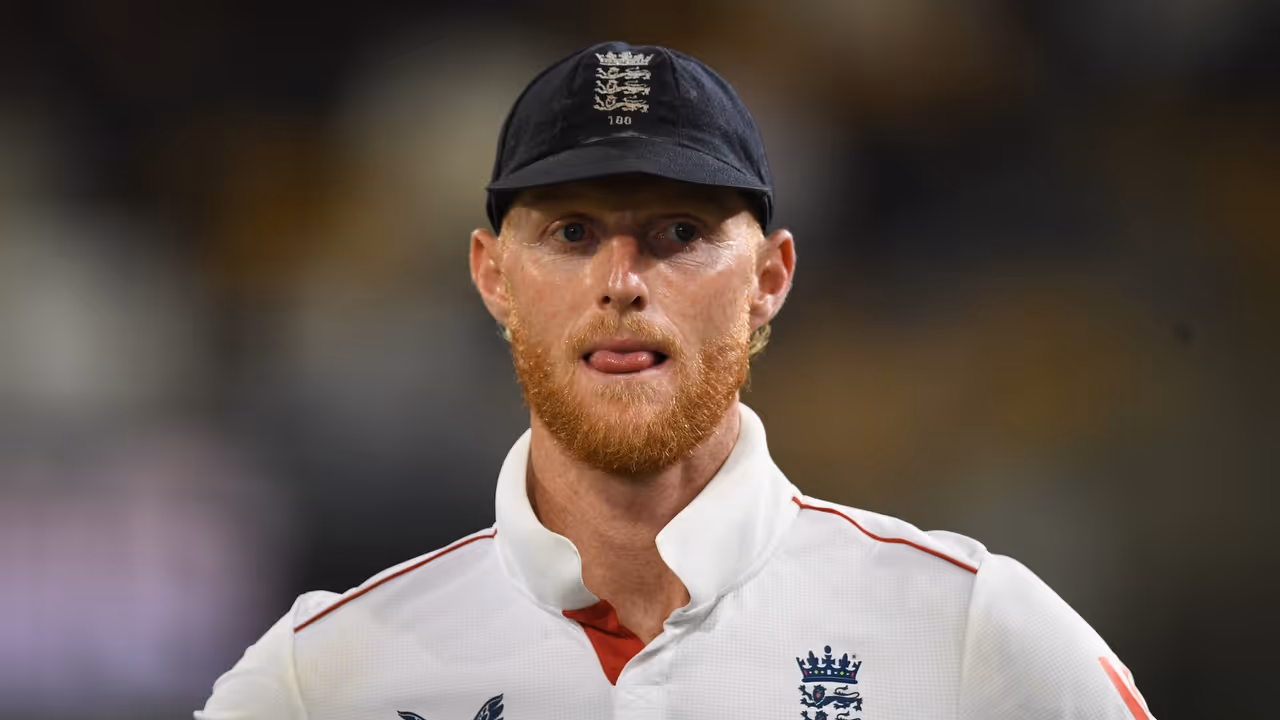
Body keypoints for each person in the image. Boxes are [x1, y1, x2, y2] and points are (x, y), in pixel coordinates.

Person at [197, 41, 1155, 720]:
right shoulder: (324, 680)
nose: (621, 283)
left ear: (770, 278)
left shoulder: (971, 628)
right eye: (571, 233)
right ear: (494, 276)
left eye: (680, 234)